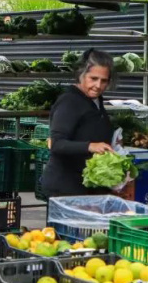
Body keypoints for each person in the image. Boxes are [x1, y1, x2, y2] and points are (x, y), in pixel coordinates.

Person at [41, 49, 115, 197]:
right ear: (81, 75)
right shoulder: (70, 102)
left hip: (85, 184)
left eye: (104, 81)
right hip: (65, 187)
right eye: (93, 78)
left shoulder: (95, 99)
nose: (98, 85)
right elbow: (56, 144)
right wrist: (91, 146)